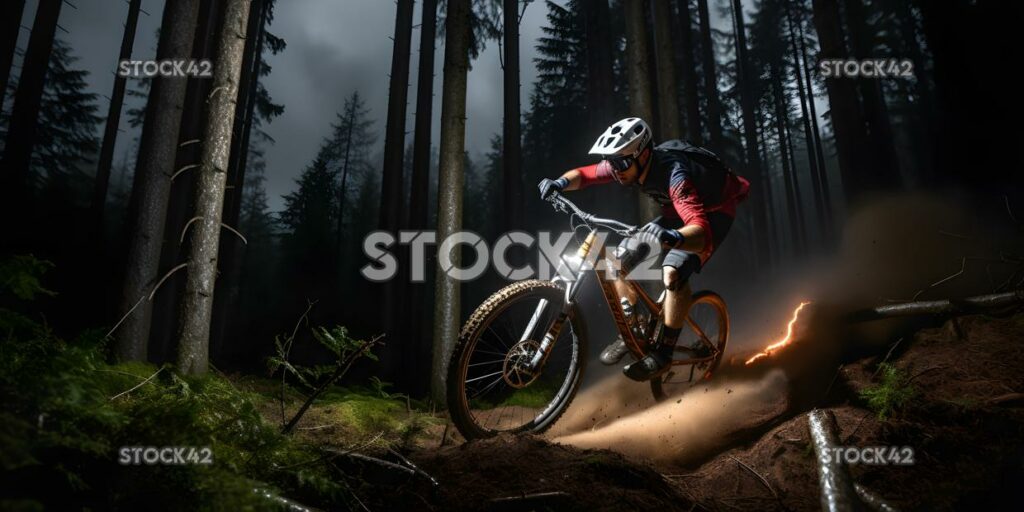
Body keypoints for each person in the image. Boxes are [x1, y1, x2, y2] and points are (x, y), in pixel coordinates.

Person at [537, 117, 749, 381]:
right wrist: (559, 183)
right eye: (612, 162)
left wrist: (673, 237)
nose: (616, 170)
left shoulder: (675, 175)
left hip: (713, 216)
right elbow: (584, 175)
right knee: (613, 262)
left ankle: (664, 354)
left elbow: (701, 232)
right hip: (678, 214)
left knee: (672, 272)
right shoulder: (625, 162)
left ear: (644, 154)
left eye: (622, 163)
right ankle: (635, 330)